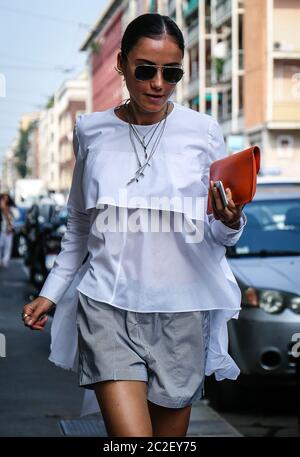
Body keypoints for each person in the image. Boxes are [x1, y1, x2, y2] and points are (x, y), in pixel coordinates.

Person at [22, 13, 247, 437]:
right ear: (121, 64)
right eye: (145, 70)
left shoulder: (203, 132)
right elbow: (78, 226)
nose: (158, 83)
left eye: (172, 72)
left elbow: (218, 234)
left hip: (182, 310)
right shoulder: (91, 131)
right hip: (107, 305)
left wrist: (231, 220)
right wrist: (50, 293)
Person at [0, 193, 15, 268]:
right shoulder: (2, 208)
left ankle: (5, 261)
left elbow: (14, 216)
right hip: (2, 230)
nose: (5, 200)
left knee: (7, 247)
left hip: (9, 230)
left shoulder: (11, 208)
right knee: (1, 245)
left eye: (6, 198)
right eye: (4, 198)